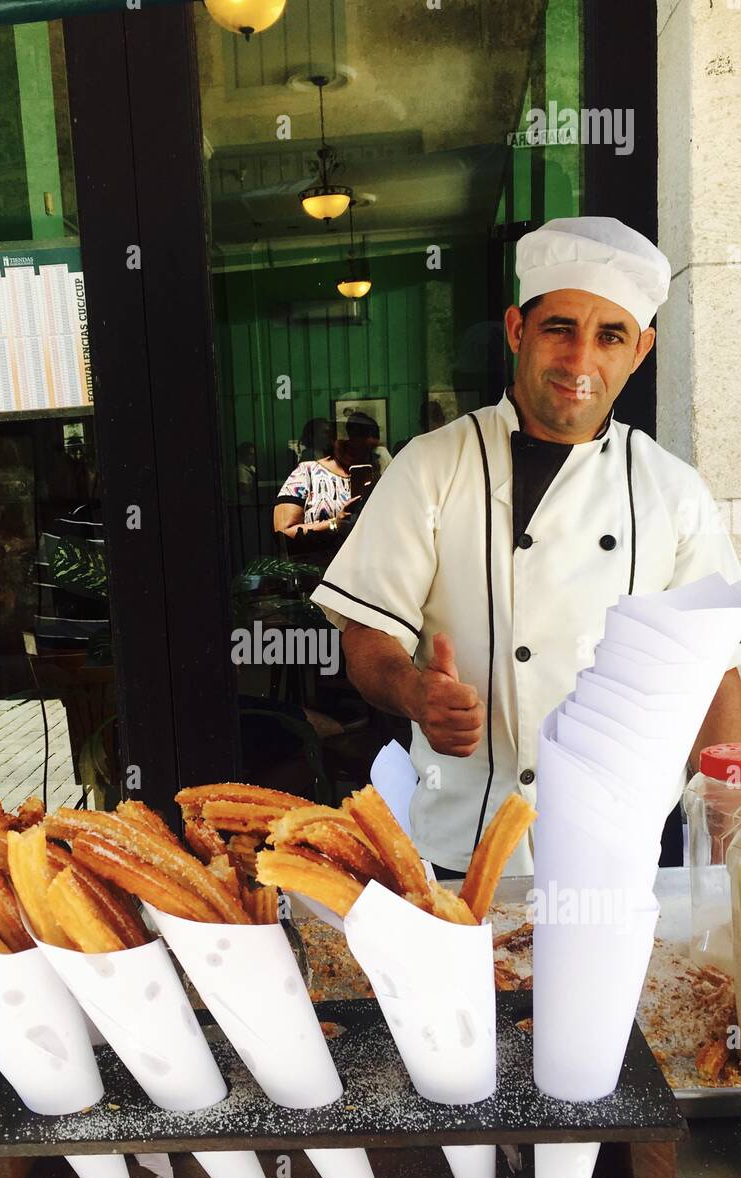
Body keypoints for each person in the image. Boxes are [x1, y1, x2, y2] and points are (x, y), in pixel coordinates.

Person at [310, 216, 741, 876]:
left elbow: (714, 677)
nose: (578, 360)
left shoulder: (672, 492)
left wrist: (725, 841)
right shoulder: (432, 465)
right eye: (558, 328)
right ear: (518, 330)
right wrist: (413, 690)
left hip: (622, 854)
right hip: (465, 848)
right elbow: (367, 635)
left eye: (609, 336)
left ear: (640, 349)